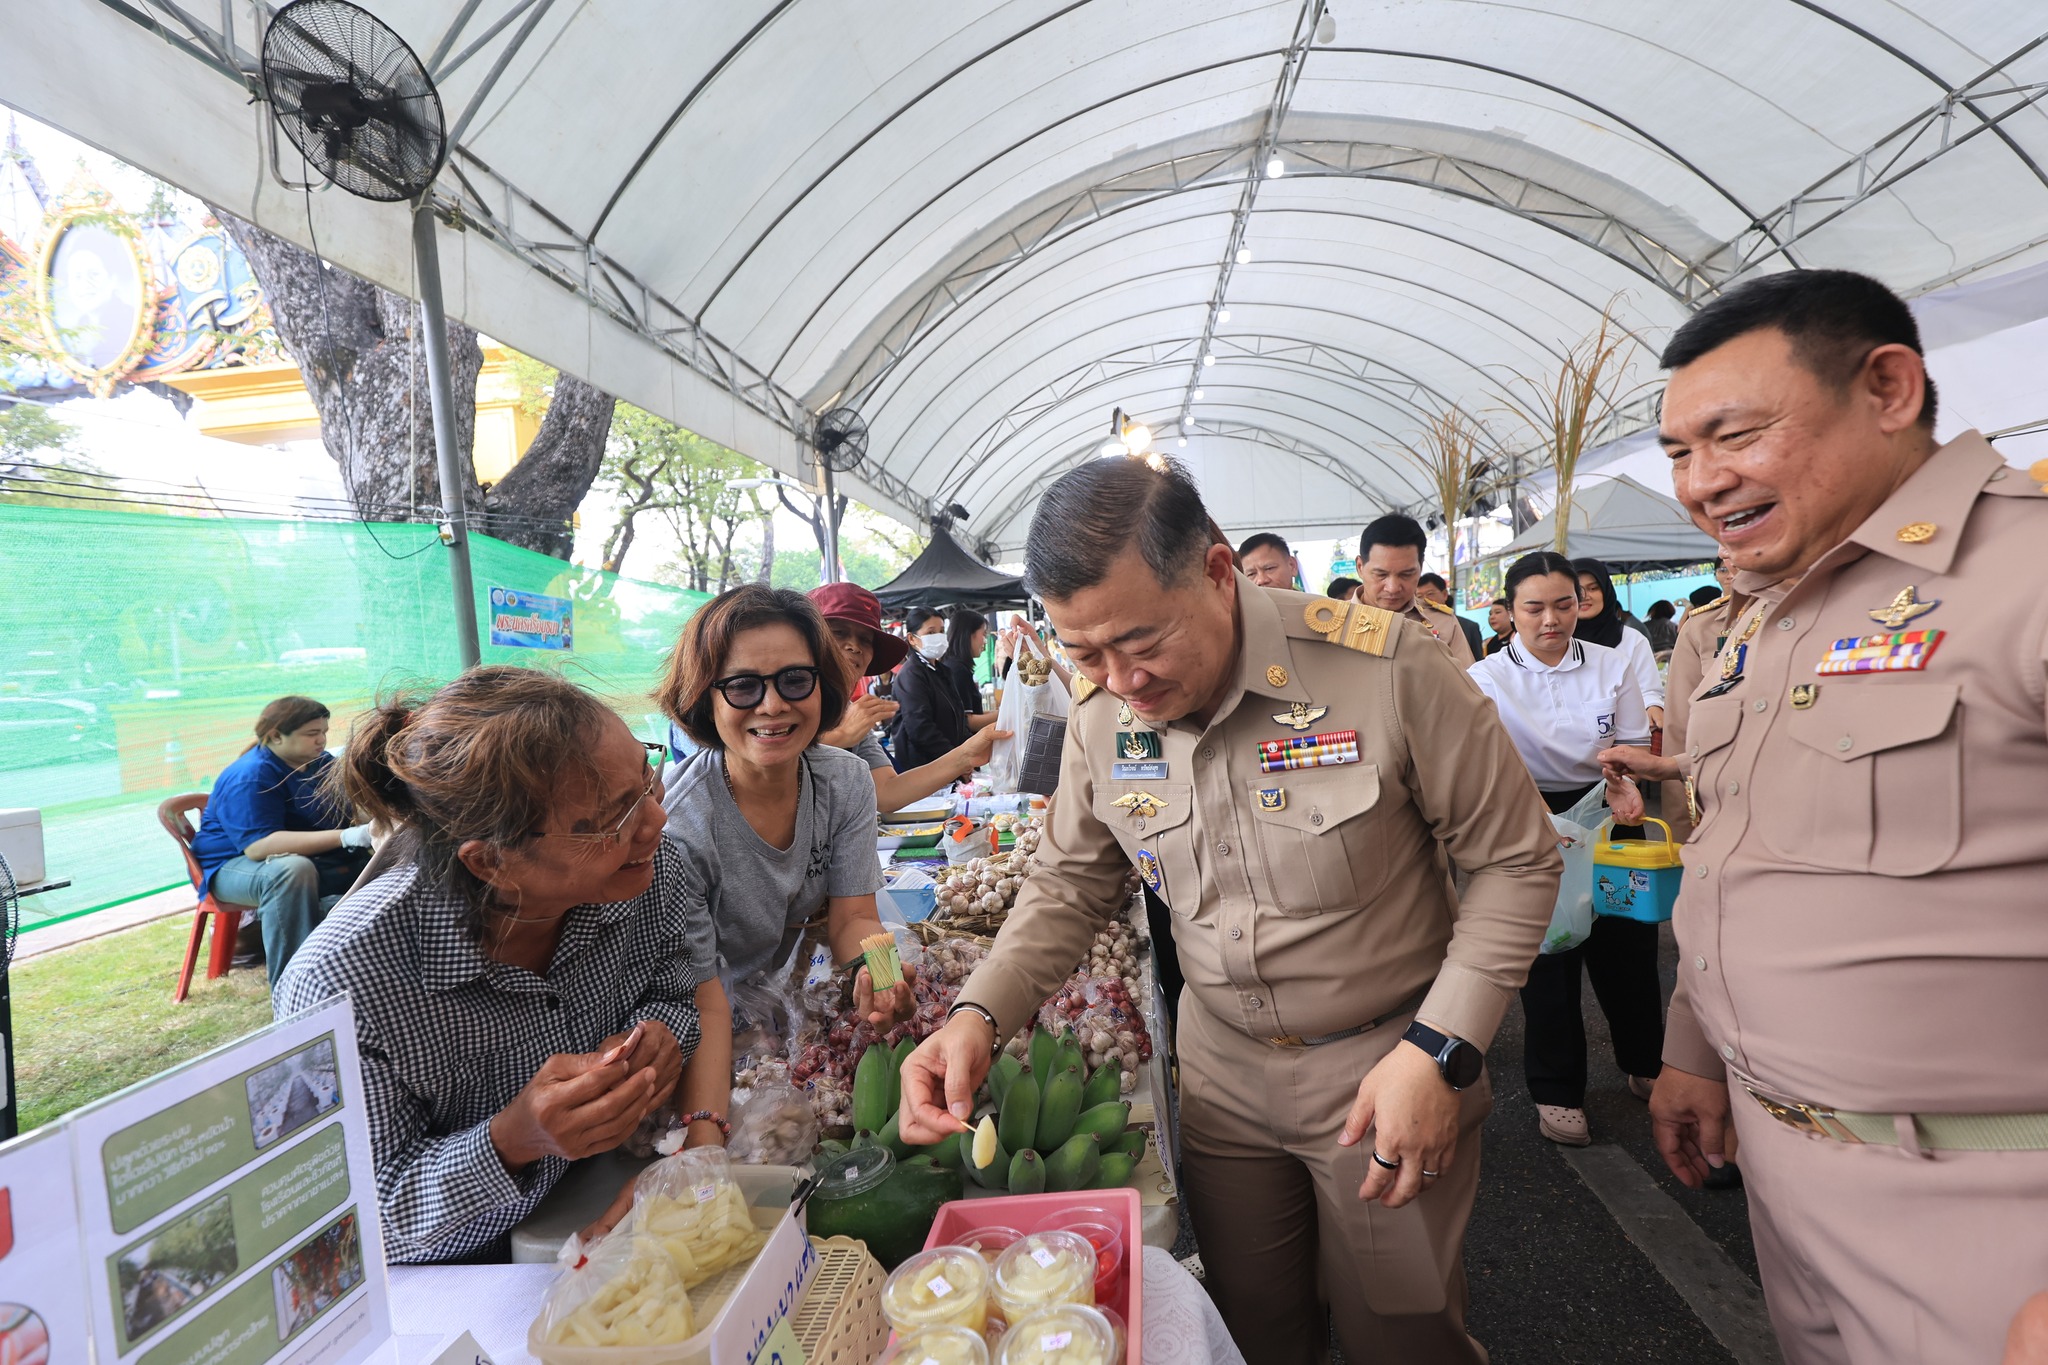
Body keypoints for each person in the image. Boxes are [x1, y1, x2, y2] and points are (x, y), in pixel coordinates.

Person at [898, 456, 1560, 1364]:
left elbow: (1515, 862)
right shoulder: (1104, 720)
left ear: (1216, 572)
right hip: (1221, 1082)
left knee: (1401, 1333)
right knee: (1250, 1328)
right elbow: (1070, 885)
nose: (1120, 679)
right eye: (1084, 653)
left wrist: (1441, 1049)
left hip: (1385, 1065)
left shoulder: (1383, 667)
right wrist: (978, 1011)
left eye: (1139, 642)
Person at [1592, 268, 2048, 1363]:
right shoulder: (1764, 611)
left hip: (1988, 1216)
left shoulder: (2025, 576)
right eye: (1676, 455)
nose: (1699, 484)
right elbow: (1738, 855)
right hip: (1783, 1188)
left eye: (1732, 435)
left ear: (1887, 388)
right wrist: (1695, 1050)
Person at [273, 668, 710, 1263]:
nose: (656, 821)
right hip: (457, 1277)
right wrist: (511, 1140)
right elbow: (349, 1224)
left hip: (599, 1194)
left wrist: (661, 1037)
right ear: (491, 864)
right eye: (613, 818)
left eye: (646, 778)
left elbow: (674, 991)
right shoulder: (341, 985)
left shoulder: (645, 874)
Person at [1467, 552, 1657, 1146]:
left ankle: (1645, 1062)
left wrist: (1624, 782)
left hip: (1606, 806)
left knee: (1627, 946)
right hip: (1530, 817)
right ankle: (1556, 1090)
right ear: (1509, 611)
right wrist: (1537, 814)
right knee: (1548, 958)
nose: (1551, 619)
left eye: (1564, 605)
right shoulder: (1488, 677)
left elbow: (1628, 739)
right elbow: (1489, 762)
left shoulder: (1613, 660)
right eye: (1534, 607)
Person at [658, 583, 916, 1020]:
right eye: (742, 686)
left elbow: (854, 917)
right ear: (705, 696)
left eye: (795, 680)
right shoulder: (680, 828)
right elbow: (700, 996)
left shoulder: (846, 780)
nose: (773, 705)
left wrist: (884, 979)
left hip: (790, 999)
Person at [188, 696, 373, 986]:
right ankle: (292, 985)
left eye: (324, 731)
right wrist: (348, 836)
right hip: (229, 867)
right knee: (290, 871)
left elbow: (349, 806)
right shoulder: (251, 775)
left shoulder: (318, 762)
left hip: (292, 859)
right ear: (275, 736)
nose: (322, 740)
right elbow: (259, 846)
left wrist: (381, 823)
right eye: (312, 734)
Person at [810, 583, 1007, 812]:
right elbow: (762, 760)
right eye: (839, 632)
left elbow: (887, 792)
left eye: (865, 639)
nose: (854, 646)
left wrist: (966, 755)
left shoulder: (850, 712)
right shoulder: (787, 699)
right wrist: (840, 736)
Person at [1356, 514, 1476, 665]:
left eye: (1406, 574)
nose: (1393, 588)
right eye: (1381, 574)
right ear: (1360, 567)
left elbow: (1465, 684)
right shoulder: (1336, 622)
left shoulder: (1442, 622)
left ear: (1420, 567)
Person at [1573, 557, 1665, 730]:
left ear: (1606, 591)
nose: (1584, 596)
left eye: (1593, 588)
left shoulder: (1632, 640)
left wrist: (1653, 706)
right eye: (1576, 590)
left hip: (1624, 734)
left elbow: (1649, 691)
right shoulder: (1558, 642)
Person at [890, 602, 975, 770]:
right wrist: (955, 761)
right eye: (931, 632)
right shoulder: (911, 675)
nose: (939, 636)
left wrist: (966, 754)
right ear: (912, 639)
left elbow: (957, 715)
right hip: (924, 769)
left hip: (949, 765)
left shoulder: (942, 671)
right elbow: (919, 728)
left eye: (941, 631)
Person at [938, 608, 999, 732]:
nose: (985, 642)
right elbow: (968, 721)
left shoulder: (953, 664)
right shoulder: (958, 671)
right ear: (969, 635)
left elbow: (974, 712)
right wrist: (1006, 713)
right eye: (983, 634)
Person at [1418, 572, 1486, 660]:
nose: (1425, 600)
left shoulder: (1468, 626)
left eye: (1430, 594)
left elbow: (1477, 662)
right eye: (1419, 596)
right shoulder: (1413, 624)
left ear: (1444, 594)